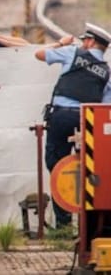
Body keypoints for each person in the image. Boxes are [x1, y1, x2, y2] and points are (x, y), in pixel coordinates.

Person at [35, 23, 111, 229]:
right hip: (87, 121)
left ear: (90, 42)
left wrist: (61, 43)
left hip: (61, 117)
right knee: (90, 169)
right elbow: (105, 107)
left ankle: (63, 222)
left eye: (84, 39)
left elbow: (40, 54)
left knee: (56, 164)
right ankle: (88, 225)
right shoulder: (107, 72)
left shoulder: (71, 52)